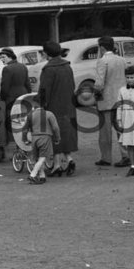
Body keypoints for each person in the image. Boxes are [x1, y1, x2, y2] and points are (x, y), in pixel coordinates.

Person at [37, 40, 78, 175]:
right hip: (68, 104)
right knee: (66, 132)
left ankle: (57, 165)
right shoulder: (67, 67)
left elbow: (44, 91)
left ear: (47, 53)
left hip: (54, 105)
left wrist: (41, 104)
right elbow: (73, 85)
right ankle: (69, 159)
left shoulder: (48, 69)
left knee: (54, 133)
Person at [93, 36, 130, 168]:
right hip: (121, 99)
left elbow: (99, 84)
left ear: (102, 47)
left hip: (106, 101)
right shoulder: (122, 60)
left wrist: (94, 95)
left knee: (105, 131)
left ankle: (106, 157)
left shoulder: (102, 61)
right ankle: (126, 155)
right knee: (121, 128)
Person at [0, 47, 30, 160]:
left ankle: (19, 148)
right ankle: (24, 145)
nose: (2, 59)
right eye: (0, 57)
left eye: (3, 57)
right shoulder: (23, 66)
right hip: (24, 96)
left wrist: (2, 97)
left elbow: (5, 87)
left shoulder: (7, 69)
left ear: (10, 57)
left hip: (12, 98)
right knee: (23, 122)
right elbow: (27, 83)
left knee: (15, 124)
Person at [26, 102, 61, 184]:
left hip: (34, 138)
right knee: (43, 158)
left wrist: (25, 139)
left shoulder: (30, 115)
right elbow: (55, 128)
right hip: (45, 137)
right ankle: (33, 174)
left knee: (38, 158)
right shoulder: (49, 114)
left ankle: (42, 176)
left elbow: (25, 129)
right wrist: (57, 138)